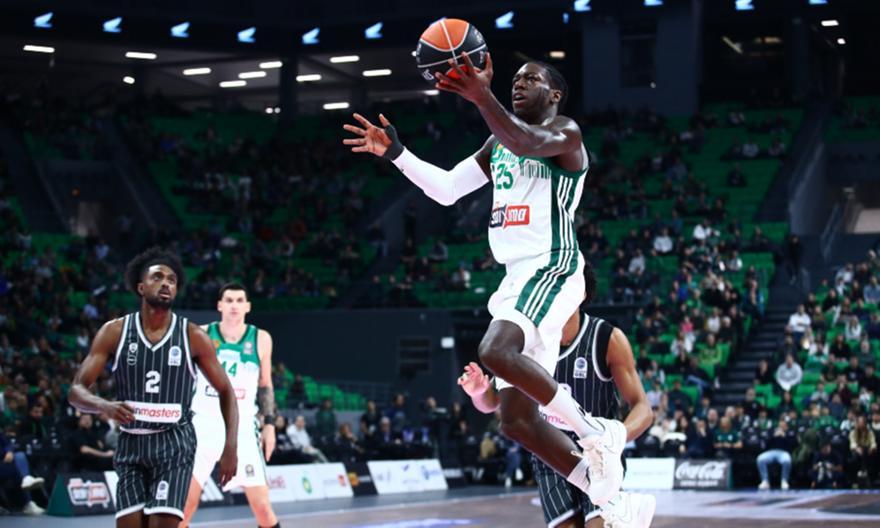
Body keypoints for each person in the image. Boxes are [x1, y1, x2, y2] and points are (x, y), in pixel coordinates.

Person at [344, 54, 626, 505]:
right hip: (517, 277)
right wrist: (397, 154)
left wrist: (480, 95)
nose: (519, 84)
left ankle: (595, 433)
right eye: (515, 79)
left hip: (551, 266)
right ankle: (605, 494)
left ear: (554, 94)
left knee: (495, 350)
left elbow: (525, 141)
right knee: (515, 421)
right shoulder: (497, 145)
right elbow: (447, 189)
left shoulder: (565, 133)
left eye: (531, 79)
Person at [457, 268, 654, 527]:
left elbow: (643, 409)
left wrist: (613, 439)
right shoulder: (528, 342)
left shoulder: (608, 339)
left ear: (579, 292)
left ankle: (619, 502)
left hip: (598, 457)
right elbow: (492, 403)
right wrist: (479, 392)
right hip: (550, 456)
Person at [68, 248, 238, 527]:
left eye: (172, 280)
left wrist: (230, 446)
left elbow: (226, 391)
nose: (166, 283)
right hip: (131, 445)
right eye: (157, 277)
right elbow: (76, 390)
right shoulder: (115, 332)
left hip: (174, 445)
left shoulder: (193, 336)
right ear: (141, 287)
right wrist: (103, 405)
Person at [181, 283, 279, 528]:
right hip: (202, 426)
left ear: (247, 306)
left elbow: (265, 384)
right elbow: (182, 377)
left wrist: (269, 425)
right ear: (219, 305)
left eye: (239, 300)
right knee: (184, 507)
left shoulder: (261, 338)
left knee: (263, 508)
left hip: (242, 429)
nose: (234, 305)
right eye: (229, 300)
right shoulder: (202, 333)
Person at [757, 420, 795, 490]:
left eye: (783, 425)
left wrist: (784, 436)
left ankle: (784, 480)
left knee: (787, 460)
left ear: (786, 426)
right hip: (771, 452)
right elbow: (766, 445)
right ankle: (765, 481)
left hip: (783, 452)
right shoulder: (773, 432)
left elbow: (792, 445)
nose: (781, 427)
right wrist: (773, 436)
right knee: (760, 459)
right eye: (780, 425)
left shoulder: (789, 433)